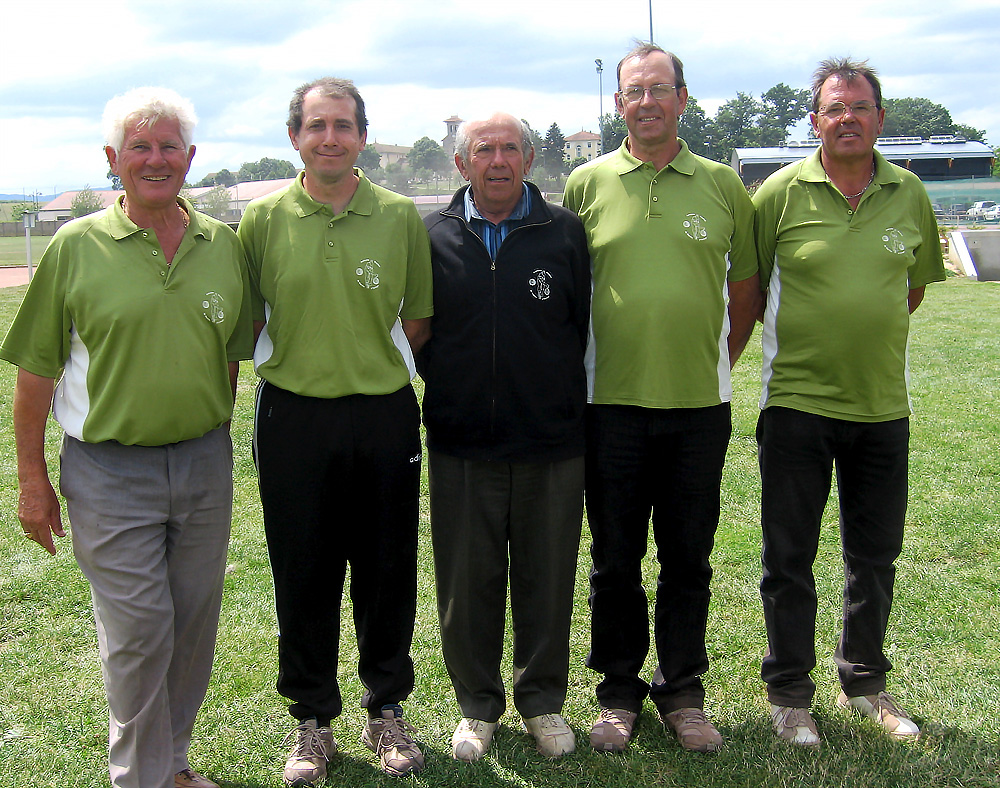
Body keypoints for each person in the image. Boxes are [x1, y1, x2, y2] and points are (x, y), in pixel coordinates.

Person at [0, 87, 253, 788]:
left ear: (191, 157)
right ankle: (138, 778)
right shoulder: (75, 246)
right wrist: (31, 481)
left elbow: (228, 356)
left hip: (202, 464)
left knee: (192, 624)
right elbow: (36, 372)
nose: (155, 159)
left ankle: (171, 763)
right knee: (141, 629)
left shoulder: (221, 245)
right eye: (139, 146)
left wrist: (207, 434)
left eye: (169, 145)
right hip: (108, 471)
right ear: (113, 159)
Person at [563, 43, 761, 754]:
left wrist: (711, 362)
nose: (646, 102)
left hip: (698, 409)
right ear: (618, 103)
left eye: (659, 89)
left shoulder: (722, 185)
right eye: (634, 91)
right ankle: (618, 693)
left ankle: (683, 692)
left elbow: (745, 293)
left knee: (688, 559)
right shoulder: (585, 183)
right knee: (614, 559)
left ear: (683, 97)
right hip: (608, 405)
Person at [237, 77, 433, 785]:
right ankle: (312, 719)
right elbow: (250, 320)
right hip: (293, 416)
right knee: (303, 572)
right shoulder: (262, 219)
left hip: (382, 415)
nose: (330, 138)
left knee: (387, 569)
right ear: (295, 137)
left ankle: (386, 710)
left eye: (343, 126)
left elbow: (418, 319)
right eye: (316, 126)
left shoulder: (399, 215)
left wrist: (362, 364)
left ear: (362, 137)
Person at [752, 57, 945, 747]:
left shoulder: (910, 193)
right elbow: (750, 287)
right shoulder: (779, 193)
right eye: (834, 108)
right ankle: (790, 694)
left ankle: (864, 682)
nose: (847, 118)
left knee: (875, 555)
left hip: (882, 408)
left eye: (859, 107)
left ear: (879, 117)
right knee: (788, 558)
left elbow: (910, 290)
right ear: (815, 120)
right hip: (796, 404)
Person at [419, 113, 590, 762]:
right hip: (462, 443)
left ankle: (542, 702)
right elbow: (418, 331)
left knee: (547, 581)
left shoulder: (564, 232)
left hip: (551, 441)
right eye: (484, 150)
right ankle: (478, 706)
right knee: (467, 585)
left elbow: (583, 327)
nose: (498, 160)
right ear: (461, 164)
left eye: (510, 149)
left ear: (529, 159)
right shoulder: (431, 235)